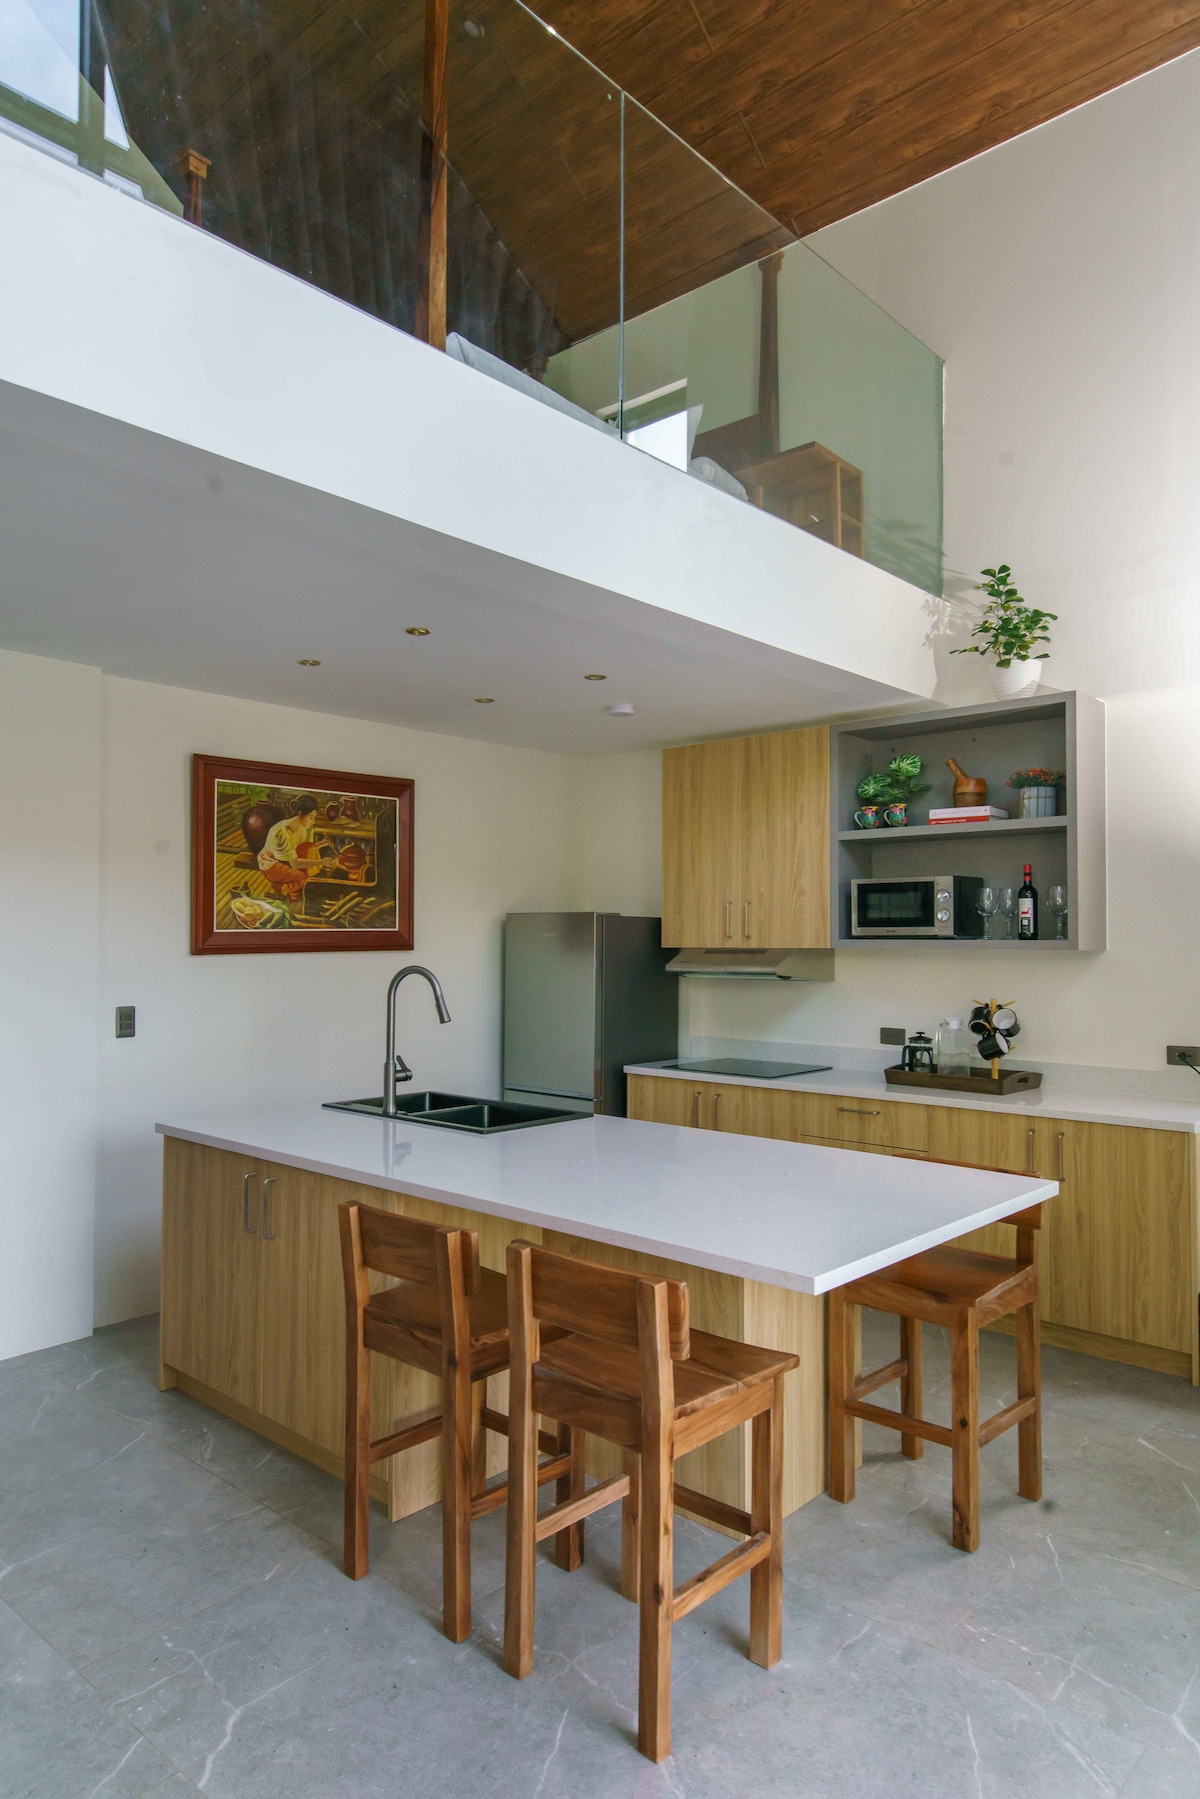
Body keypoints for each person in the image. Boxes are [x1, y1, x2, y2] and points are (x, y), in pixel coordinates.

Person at [257, 794, 329, 902]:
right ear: (300, 815)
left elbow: (305, 848)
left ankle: (283, 886)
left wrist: (322, 843)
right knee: (301, 876)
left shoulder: (305, 828)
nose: (313, 822)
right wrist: (321, 862)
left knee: (308, 868)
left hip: (287, 858)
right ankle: (290, 892)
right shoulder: (283, 831)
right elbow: (295, 863)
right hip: (270, 863)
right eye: (311, 817)